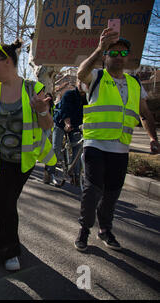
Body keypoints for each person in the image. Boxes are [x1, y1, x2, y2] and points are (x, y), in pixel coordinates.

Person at [0, 38, 56, 271]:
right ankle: (9, 253)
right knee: (7, 204)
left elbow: (48, 125)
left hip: (24, 161)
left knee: (7, 202)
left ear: (7, 61)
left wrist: (42, 110)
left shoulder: (33, 89)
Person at [74, 30, 160, 252]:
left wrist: (153, 138)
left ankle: (105, 230)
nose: (119, 55)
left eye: (123, 52)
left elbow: (145, 114)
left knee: (112, 193)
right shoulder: (97, 77)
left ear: (127, 56)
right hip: (95, 144)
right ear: (106, 56)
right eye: (114, 52)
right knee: (93, 190)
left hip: (121, 148)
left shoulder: (134, 83)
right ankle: (84, 230)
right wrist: (99, 48)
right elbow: (81, 73)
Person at [45, 80, 87, 187]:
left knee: (77, 148)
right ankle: (50, 172)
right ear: (78, 84)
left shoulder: (86, 98)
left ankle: (76, 175)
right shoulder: (69, 94)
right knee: (56, 147)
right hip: (60, 123)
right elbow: (65, 110)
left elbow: (88, 114)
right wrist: (67, 123)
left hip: (75, 125)